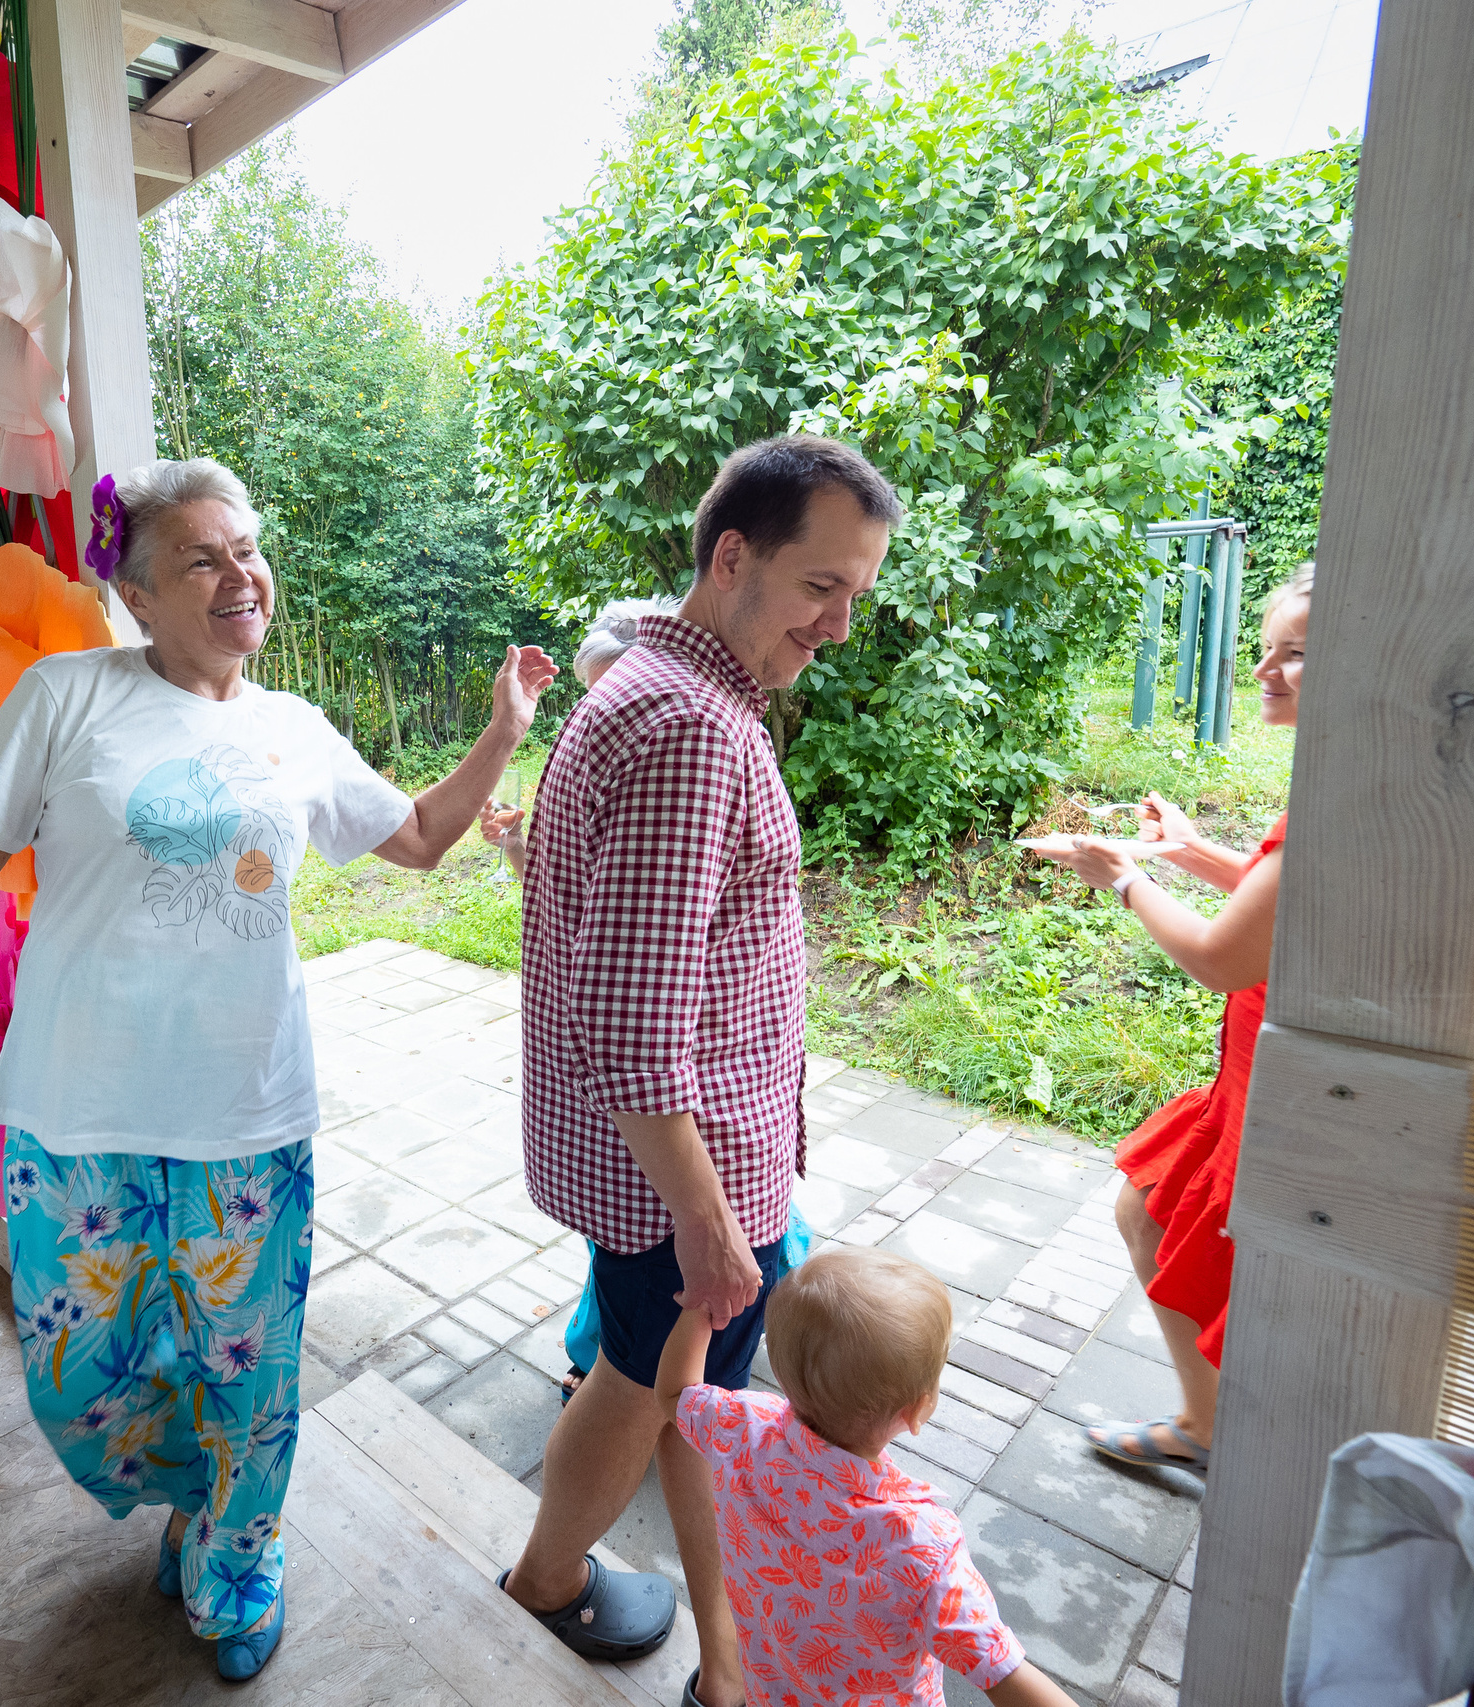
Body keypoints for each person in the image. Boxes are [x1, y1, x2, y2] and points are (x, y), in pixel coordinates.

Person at [0, 457, 557, 1680]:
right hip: (81, 1102)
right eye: (202, 556)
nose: (240, 574)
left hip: (245, 1109)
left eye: (246, 549)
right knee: (85, 1377)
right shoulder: (63, 696)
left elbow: (412, 839)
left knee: (251, 1380)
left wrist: (502, 733)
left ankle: (238, 1566)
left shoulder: (291, 729)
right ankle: (194, 1502)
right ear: (136, 594)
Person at [498, 435, 899, 1707]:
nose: (838, 624)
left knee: (684, 1391)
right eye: (817, 587)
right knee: (639, 1381)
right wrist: (711, 1221)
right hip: (680, 1171)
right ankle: (549, 1581)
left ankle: (720, 1664)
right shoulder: (688, 729)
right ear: (732, 558)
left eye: (854, 593)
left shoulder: (655, 694)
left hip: (671, 1165)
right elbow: (632, 1019)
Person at [1028, 563, 1310, 1474]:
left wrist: (1125, 875)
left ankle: (1226, 1427)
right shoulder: (1345, 777)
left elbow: (1218, 956)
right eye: (1267, 647)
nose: (1265, 669)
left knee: (1167, 1220)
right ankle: (1209, 1420)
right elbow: (1274, 904)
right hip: (1254, 1066)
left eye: (1296, 653)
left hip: (1283, 1085)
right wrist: (1187, 849)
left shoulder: (1340, 796)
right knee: (1148, 1207)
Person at [659, 1249, 1078, 1707]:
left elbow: (675, 1393)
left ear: (777, 1369)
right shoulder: (922, 1546)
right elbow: (1000, 1671)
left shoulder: (740, 1428)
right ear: (918, 1411)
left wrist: (702, 1307)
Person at [480, 594, 674, 882]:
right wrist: (514, 843)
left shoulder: (671, 774)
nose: (601, 715)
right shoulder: (589, 765)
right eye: (592, 696)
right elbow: (561, 896)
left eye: (621, 701)